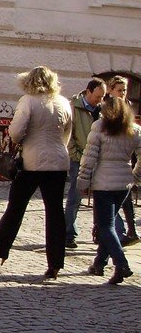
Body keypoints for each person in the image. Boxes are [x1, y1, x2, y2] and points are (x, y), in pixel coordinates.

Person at [0, 66, 72, 281]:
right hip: (58, 161)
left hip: (33, 162)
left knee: (16, 206)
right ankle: (56, 263)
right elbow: (67, 133)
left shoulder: (28, 100)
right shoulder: (63, 102)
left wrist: (22, 140)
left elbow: (15, 133)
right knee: (55, 213)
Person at [77, 98, 141, 285]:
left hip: (103, 183)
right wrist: (135, 176)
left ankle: (121, 263)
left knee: (105, 226)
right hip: (123, 183)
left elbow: (89, 157)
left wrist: (83, 180)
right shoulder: (134, 130)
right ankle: (99, 263)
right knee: (109, 224)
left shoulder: (99, 127)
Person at [65, 78, 106, 248]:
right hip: (79, 159)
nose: (100, 100)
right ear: (88, 92)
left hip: (99, 159)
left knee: (100, 197)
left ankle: (98, 232)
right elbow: (69, 136)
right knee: (75, 196)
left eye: (102, 97)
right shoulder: (74, 107)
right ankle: (68, 233)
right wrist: (76, 156)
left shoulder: (102, 110)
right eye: (97, 96)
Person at [105, 76, 138, 245]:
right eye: (119, 90)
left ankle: (130, 230)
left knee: (126, 197)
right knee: (112, 200)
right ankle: (117, 232)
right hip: (108, 158)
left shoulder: (128, 106)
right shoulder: (106, 107)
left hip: (125, 157)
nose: (122, 93)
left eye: (124, 90)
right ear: (110, 90)